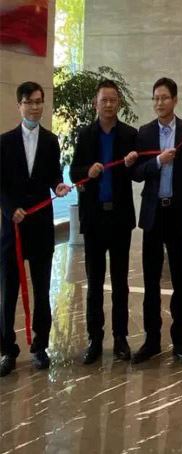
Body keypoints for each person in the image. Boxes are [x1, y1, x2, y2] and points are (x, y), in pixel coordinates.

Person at [130, 77, 182, 364]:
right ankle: (152, 341)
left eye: (164, 98)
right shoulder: (145, 133)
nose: (159, 103)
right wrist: (157, 162)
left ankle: (179, 341)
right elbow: (136, 173)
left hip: (175, 213)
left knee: (179, 281)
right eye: (155, 98)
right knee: (151, 282)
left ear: (174, 100)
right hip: (153, 215)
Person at [0, 81, 70, 377]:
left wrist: (58, 185)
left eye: (39, 101)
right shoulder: (4, 142)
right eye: (29, 102)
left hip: (41, 227)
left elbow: (54, 174)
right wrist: (10, 209)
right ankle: (7, 350)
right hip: (13, 229)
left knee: (42, 290)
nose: (35, 107)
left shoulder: (51, 141)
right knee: (8, 292)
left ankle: (40, 347)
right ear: (19, 105)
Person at [70, 79, 138, 365]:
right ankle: (94, 339)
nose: (108, 104)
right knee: (95, 283)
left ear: (118, 103)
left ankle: (120, 338)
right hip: (95, 219)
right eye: (104, 100)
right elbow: (74, 173)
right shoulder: (85, 135)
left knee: (120, 282)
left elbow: (138, 174)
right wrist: (88, 171)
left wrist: (133, 164)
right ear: (95, 103)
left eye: (113, 100)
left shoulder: (130, 135)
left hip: (119, 218)